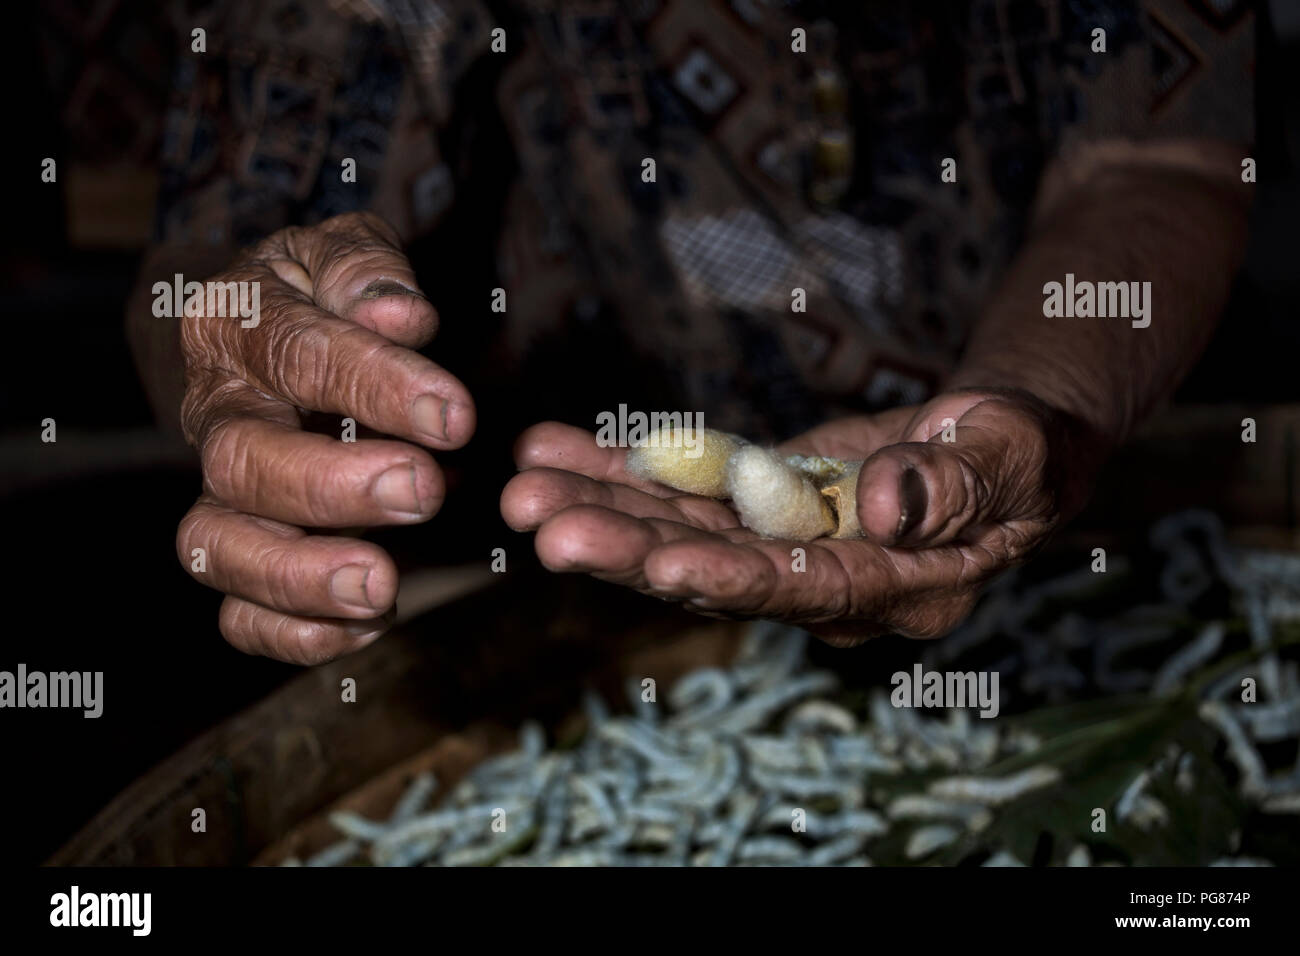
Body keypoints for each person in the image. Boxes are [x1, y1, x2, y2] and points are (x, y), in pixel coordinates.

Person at [123, 0, 1255, 663]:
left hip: (1071, 474)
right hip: (569, 539)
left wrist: (1032, 393)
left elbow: (1155, 156)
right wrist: (252, 356)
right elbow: (217, 240)